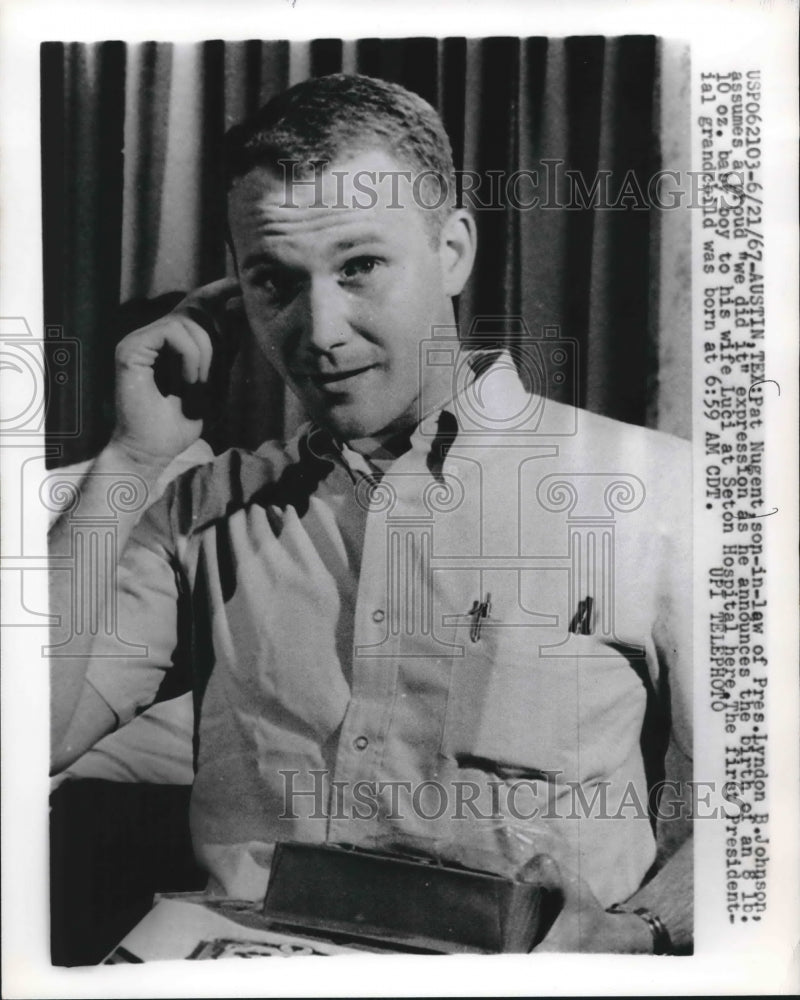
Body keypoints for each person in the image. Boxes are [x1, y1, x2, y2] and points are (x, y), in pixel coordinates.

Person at [49, 73, 692, 953]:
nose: (319, 330)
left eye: (359, 268)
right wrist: (130, 459)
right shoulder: (202, 512)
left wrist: (642, 931)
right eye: (274, 282)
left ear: (452, 250)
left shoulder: (659, 491)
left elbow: (760, 807)